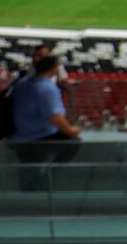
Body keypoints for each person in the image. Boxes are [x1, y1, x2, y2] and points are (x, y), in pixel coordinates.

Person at [8, 55, 81, 192]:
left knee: (27, 165)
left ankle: (27, 190)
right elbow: (55, 117)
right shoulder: (47, 88)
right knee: (73, 143)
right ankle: (48, 176)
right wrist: (71, 130)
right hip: (37, 135)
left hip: (18, 132)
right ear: (53, 69)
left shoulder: (22, 82)